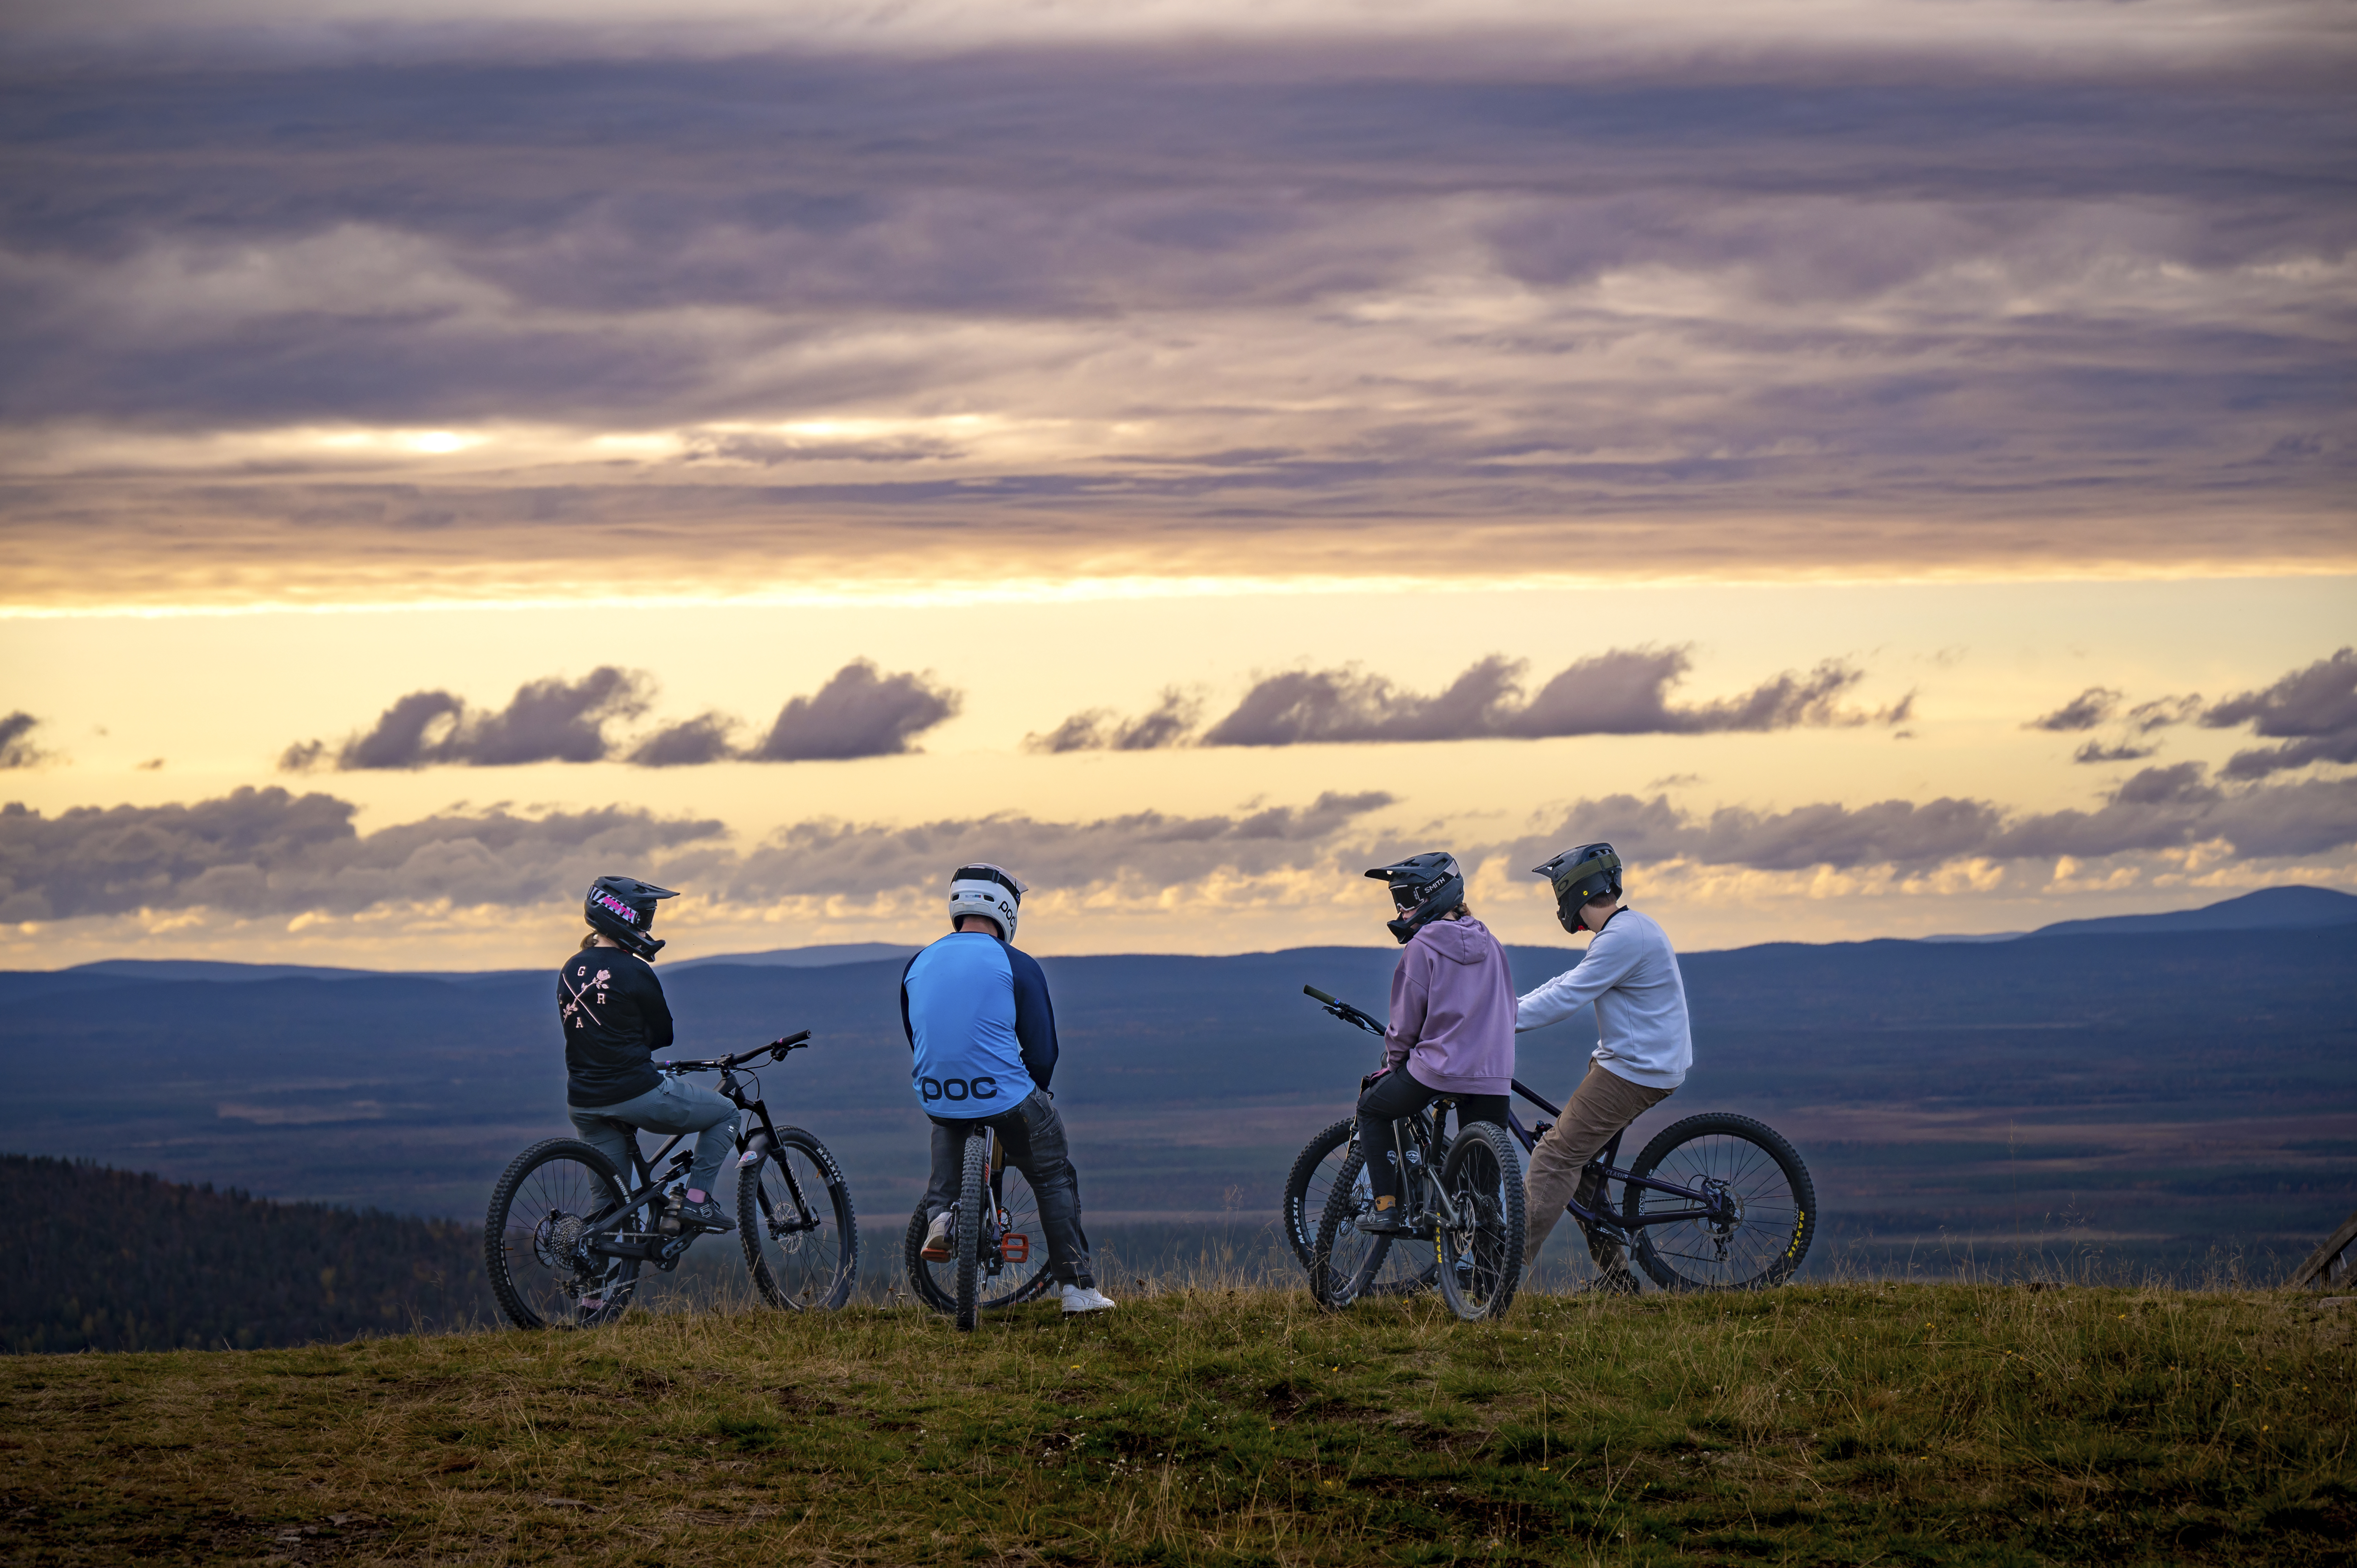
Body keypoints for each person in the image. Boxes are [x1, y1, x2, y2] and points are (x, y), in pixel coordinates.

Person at [900, 863, 1115, 1313]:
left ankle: (941, 1214)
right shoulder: (1016, 963)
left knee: (949, 1116)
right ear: (1006, 909)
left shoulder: (919, 962)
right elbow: (1042, 1051)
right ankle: (1077, 1289)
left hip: (937, 1092)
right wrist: (1036, 1093)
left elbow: (918, 1035)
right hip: (1005, 1095)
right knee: (1053, 1172)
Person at [1513, 843, 1690, 1291]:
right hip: (1634, 1065)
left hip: (1633, 1072)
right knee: (1584, 1165)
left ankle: (1497, 1273)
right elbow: (1566, 982)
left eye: (1559, 893)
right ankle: (1616, 1279)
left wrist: (1499, 1023)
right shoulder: (1628, 930)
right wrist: (1505, 1009)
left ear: (1575, 892)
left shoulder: (1623, 937)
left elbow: (1568, 996)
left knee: (1554, 1156)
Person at [559, 875, 740, 1233]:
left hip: (583, 1103)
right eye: (645, 918)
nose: (648, 926)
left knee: (608, 1211)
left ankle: (594, 1291)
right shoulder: (635, 970)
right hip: (635, 1093)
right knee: (726, 1113)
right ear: (625, 918)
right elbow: (663, 1035)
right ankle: (697, 1202)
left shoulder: (570, 969)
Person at [1351, 853, 1516, 1234]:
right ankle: (1486, 1285)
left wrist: (1394, 1063)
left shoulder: (1422, 947)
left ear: (1432, 898)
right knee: (1483, 1196)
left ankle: (1386, 1208)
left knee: (1372, 1107)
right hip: (1493, 1076)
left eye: (1408, 901)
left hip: (1436, 1071)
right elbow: (1510, 1009)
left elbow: (1405, 1026)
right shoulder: (1492, 944)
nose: (1402, 911)